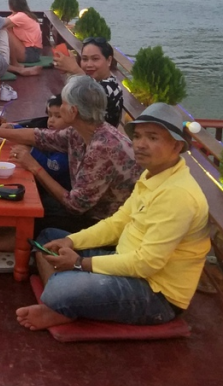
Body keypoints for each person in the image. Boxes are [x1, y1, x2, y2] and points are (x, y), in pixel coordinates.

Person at [15, 102, 210, 330]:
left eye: (153, 138)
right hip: (126, 259)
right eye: (137, 136)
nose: (140, 145)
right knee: (49, 240)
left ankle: (62, 300)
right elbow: (117, 224)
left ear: (177, 146)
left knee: (62, 287)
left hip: (155, 293)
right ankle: (65, 304)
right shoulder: (152, 174)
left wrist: (80, 264)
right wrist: (71, 242)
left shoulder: (179, 195)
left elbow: (147, 264)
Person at [0, 76, 139, 252]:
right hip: (86, 206)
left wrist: (34, 167)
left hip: (103, 223)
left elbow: (75, 206)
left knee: (35, 220)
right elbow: (40, 136)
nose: (60, 107)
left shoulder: (102, 148)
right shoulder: (85, 130)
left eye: (63, 103)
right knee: (27, 198)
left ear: (73, 111)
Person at [53, 36, 124, 126]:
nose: (89, 65)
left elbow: (94, 93)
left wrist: (75, 70)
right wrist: (69, 71)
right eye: (85, 59)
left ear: (109, 60)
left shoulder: (111, 87)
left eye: (95, 59)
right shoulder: (91, 81)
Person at [4, 0, 44, 67]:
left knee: (5, 30)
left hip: (30, 53)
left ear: (10, 4)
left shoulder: (21, 16)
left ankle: (13, 63)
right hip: (33, 52)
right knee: (6, 29)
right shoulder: (20, 15)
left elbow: (0, 24)